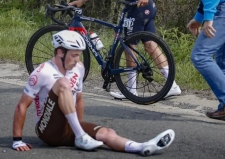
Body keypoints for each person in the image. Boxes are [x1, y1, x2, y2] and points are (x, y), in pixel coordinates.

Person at [12, 30, 175, 155]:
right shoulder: (42, 72)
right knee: (63, 84)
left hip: (69, 128)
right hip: (47, 130)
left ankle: (142, 147)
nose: (77, 60)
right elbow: (22, 106)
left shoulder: (79, 68)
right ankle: (81, 136)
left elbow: (79, 101)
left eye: (79, 56)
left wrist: (79, 129)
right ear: (60, 52)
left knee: (107, 133)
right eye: (74, 55)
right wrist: (17, 140)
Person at [69, 0, 181, 99]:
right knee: (150, 45)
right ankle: (172, 85)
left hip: (139, 7)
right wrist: (82, 0)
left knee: (130, 47)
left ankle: (130, 89)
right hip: (145, 7)